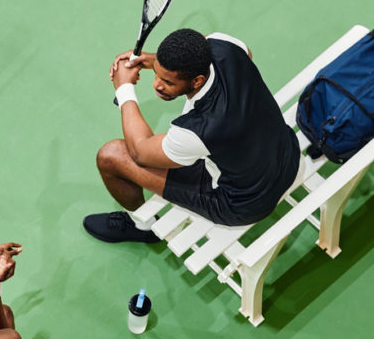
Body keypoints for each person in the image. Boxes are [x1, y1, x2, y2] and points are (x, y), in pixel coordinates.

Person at [83, 28, 301, 243]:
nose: (156, 85)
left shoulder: (199, 129)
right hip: (287, 155)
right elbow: (233, 49)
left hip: (243, 203)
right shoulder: (226, 46)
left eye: (167, 82)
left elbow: (140, 151)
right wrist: (153, 60)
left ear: (197, 80)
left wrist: (124, 88)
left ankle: (142, 227)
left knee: (111, 156)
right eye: (158, 74)